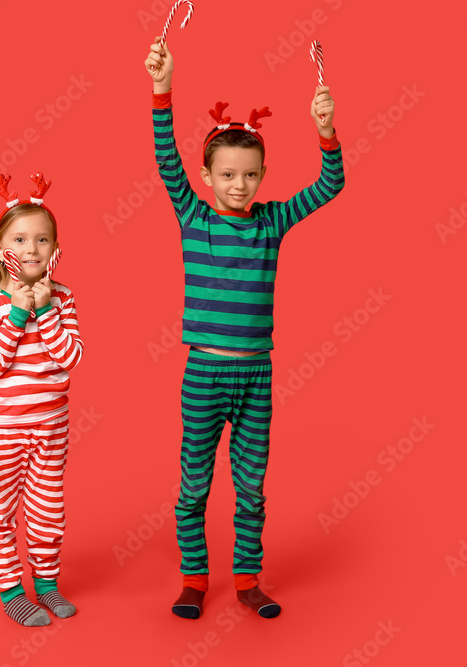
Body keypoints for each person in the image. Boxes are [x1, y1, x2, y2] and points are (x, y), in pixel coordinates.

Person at [144, 37, 345, 620]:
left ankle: (249, 579)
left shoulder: (273, 221)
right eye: (228, 174)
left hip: (257, 374)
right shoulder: (193, 215)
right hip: (203, 373)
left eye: (250, 175)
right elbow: (163, 158)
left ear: (263, 176)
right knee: (193, 486)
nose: (239, 185)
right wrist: (163, 87)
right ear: (206, 175)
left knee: (252, 488)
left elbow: (330, 186)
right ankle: (193, 579)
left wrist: (325, 128)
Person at [0, 172, 84, 626]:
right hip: (3, 431)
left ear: (56, 249)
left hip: (51, 426)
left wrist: (47, 311)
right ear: (2, 250)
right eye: (20, 239)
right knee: (0, 510)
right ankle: (12, 590)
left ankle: (47, 584)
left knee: (48, 509)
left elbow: (71, 357)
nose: (32, 248)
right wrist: (19, 312)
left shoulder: (65, 298)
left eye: (42, 239)